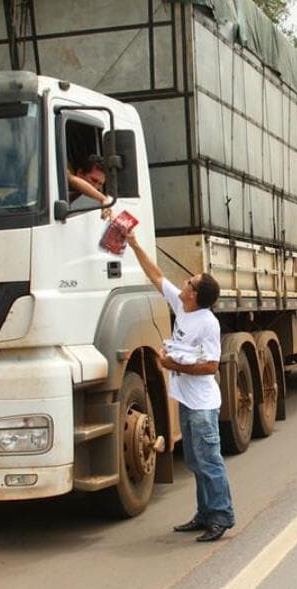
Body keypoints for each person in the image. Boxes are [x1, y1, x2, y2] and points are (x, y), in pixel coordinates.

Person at [124, 229, 235, 542]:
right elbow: (155, 274)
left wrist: (172, 364)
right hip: (188, 401)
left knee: (209, 461)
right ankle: (205, 514)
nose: (185, 282)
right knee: (195, 461)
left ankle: (222, 516)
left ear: (195, 295)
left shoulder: (207, 322)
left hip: (202, 404)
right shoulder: (181, 308)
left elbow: (212, 366)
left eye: (190, 282)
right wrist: (134, 244)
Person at [68, 154, 112, 219]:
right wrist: (103, 199)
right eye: (94, 180)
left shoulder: (95, 201)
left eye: (100, 184)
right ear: (80, 173)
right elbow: (70, 178)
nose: (95, 187)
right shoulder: (62, 182)